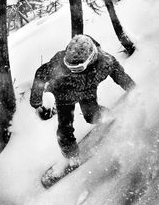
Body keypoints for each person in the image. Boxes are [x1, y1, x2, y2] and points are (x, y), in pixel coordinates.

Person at [30, 34, 135, 186]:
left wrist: (135, 90)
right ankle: (71, 157)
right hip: (64, 94)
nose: (73, 71)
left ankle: (107, 118)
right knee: (64, 130)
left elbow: (121, 77)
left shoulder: (105, 62)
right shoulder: (59, 62)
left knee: (91, 116)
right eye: (70, 66)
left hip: (87, 92)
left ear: (91, 59)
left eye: (78, 68)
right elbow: (40, 74)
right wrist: (36, 101)